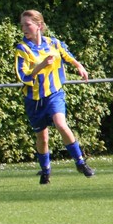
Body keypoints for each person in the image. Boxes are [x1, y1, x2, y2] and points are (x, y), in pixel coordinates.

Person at [14, 10, 95, 184]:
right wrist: (41, 65)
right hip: (34, 100)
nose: (24, 29)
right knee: (42, 138)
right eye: (22, 25)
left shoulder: (54, 43)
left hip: (54, 94)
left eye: (27, 25)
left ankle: (80, 162)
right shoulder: (22, 49)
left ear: (39, 25)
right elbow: (23, 76)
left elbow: (68, 56)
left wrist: (79, 66)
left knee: (61, 124)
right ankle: (46, 171)